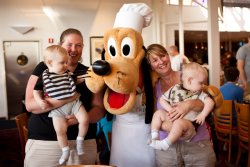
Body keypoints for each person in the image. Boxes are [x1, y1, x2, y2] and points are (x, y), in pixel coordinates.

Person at [24, 28, 105, 167]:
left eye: (78, 45)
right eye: (69, 44)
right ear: (60, 45)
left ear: (82, 47)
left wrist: (77, 120)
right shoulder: (44, 69)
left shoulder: (89, 73)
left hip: (83, 144)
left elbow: (99, 109)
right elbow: (31, 105)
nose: (73, 49)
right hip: (46, 142)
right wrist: (68, 98)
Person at [146, 44, 216, 167]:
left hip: (197, 143)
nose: (161, 61)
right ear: (150, 65)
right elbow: (154, 116)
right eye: (155, 60)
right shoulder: (153, 86)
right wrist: (174, 127)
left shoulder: (188, 75)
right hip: (167, 149)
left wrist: (188, 104)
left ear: (169, 56)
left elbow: (206, 102)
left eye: (163, 56)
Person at [33, 45, 89, 165]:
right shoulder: (44, 76)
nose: (66, 65)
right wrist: (39, 101)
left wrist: (88, 77)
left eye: (66, 62)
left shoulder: (67, 73)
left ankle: (80, 140)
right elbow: (36, 91)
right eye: (62, 63)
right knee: (60, 130)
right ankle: (65, 150)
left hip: (74, 103)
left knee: (85, 119)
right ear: (50, 62)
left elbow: (77, 80)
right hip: (57, 109)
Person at [149, 62, 214, 151]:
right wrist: (170, 110)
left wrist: (203, 114)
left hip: (188, 123)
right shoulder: (175, 88)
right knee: (158, 113)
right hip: (172, 117)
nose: (203, 86)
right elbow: (162, 100)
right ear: (190, 80)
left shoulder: (199, 93)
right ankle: (154, 137)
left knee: (178, 123)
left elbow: (210, 102)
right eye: (201, 83)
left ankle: (166, 143)